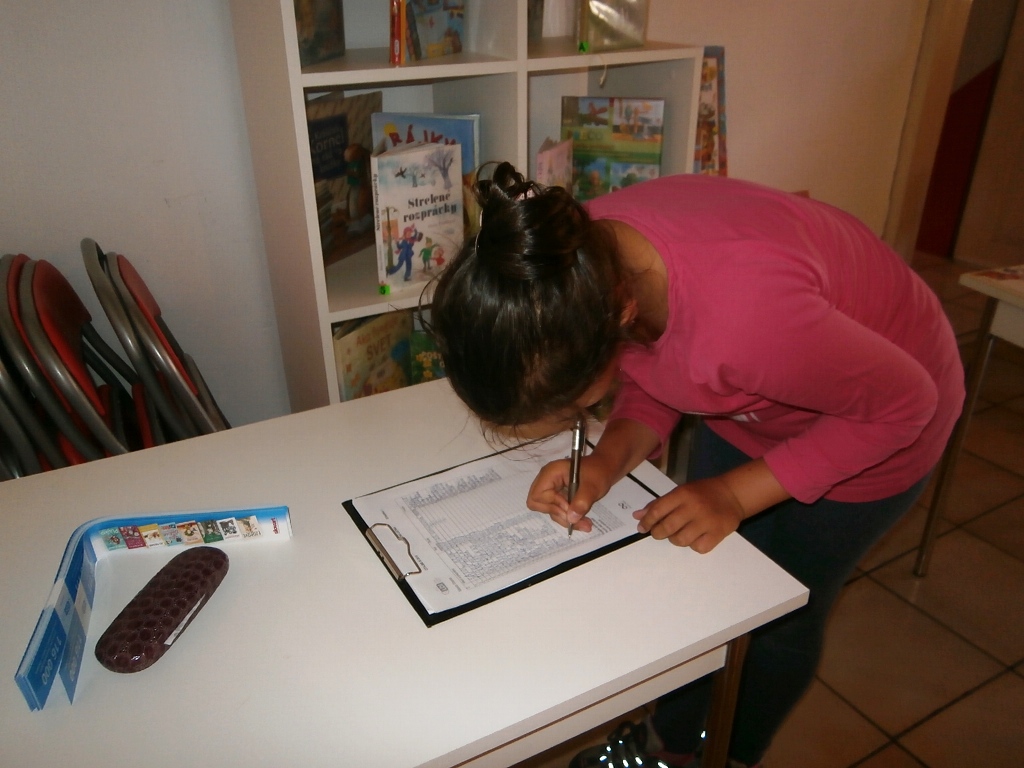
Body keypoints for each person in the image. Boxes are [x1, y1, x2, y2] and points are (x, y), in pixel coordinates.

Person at [425, 162, 964, 768]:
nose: (580, 415)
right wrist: (605, 462)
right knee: (712, 598)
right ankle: (671, 743)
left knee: (783, 616)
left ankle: (733, 755)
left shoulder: (743, 323)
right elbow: (664, 371)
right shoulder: (572, 259)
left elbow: (903, 404)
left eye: (577, 406)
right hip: (765, 393)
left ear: (616, 320)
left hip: (883, 423)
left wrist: (733, 495)